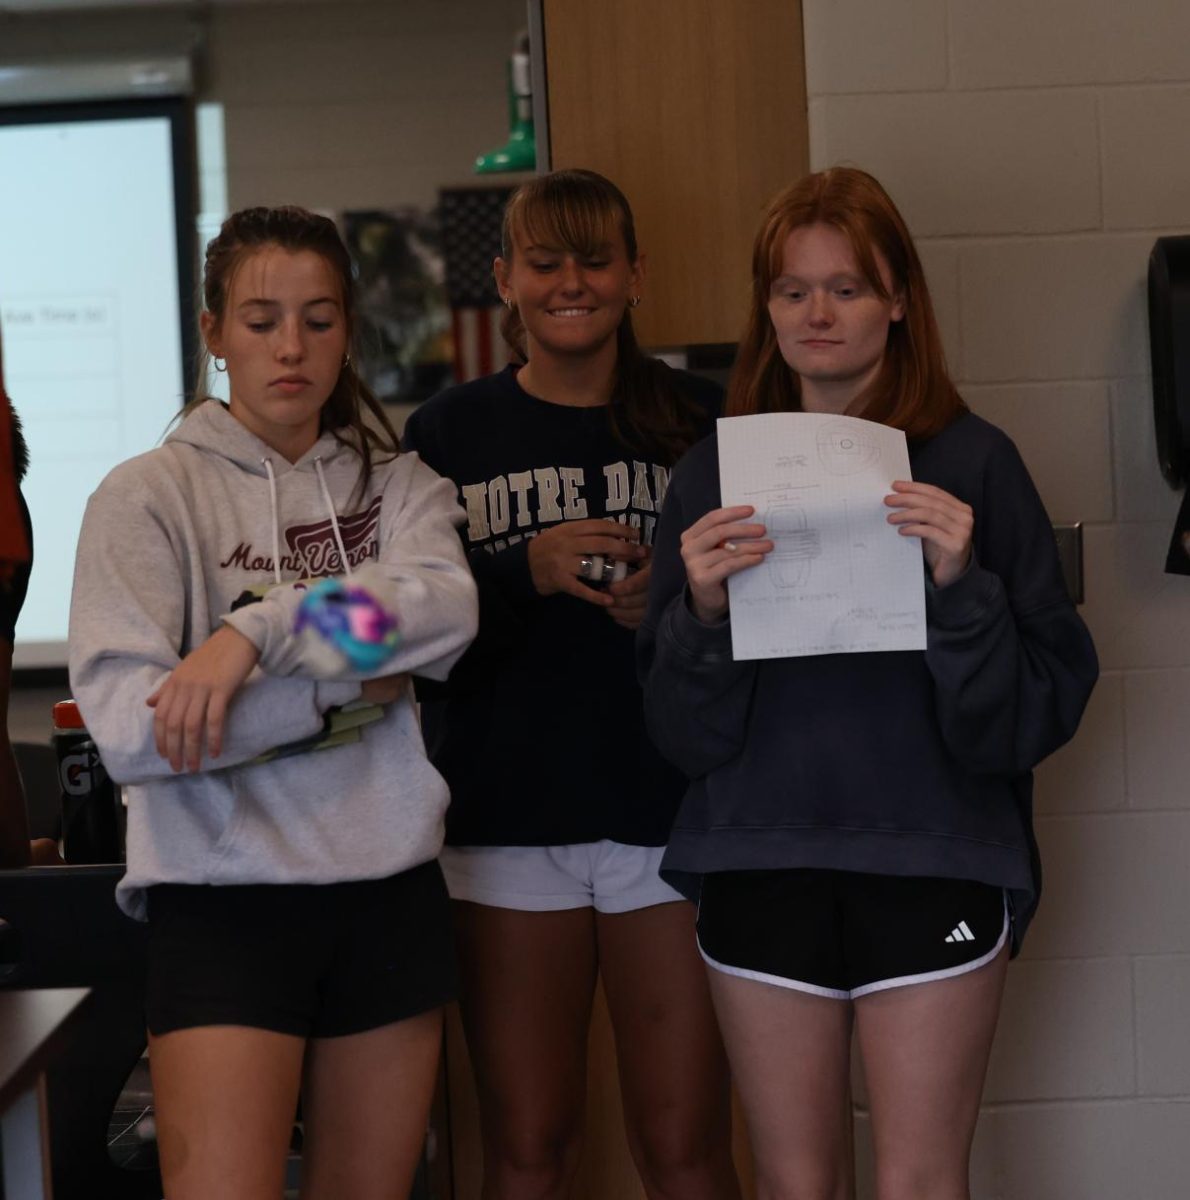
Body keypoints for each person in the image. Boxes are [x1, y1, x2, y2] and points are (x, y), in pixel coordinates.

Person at [638, 167, 1099, 1200]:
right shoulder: (708, 478)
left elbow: (1027, 717)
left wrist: (958, 587)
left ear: (897, 300)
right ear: (763, 308)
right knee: (795, 1184)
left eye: (845, 286)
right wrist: (701, 617)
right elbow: (677, 734)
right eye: (791, 289)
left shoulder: (975, 464)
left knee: (918, 1180)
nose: (816, 312)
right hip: (759, 855)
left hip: (933, 852)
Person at [68, 206, 478, 1200]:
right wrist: (343, 697)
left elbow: (442, 611)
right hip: (219, 900)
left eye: (318, 318)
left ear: (348, 332)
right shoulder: (146, 496)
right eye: (259, 321)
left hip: (386, 895)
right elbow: (136, 730)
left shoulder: (401, 486)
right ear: (212, 333)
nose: (290, 348)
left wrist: (247, 637)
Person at [403, 169, 740, 1200]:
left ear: (635, 275)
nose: (569, 283)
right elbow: (413, 639)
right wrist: (525, 571)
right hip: (506, 820)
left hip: (670, 811)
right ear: (502, 278)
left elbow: (778, 611)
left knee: (684, 1147)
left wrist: (678, 609)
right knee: (527, 1147)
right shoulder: (447, 433)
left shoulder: (706, 419)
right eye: (543, 261)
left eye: (593, 260)